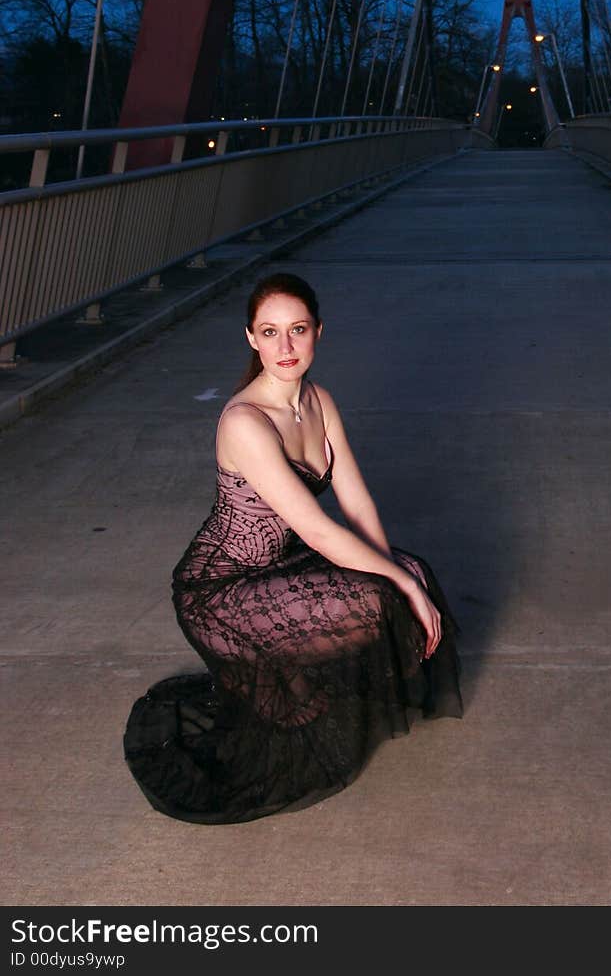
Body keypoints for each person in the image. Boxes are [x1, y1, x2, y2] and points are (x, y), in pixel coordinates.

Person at [124, 272, 461, 823]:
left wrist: (401, 573)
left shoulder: (320, 401)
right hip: (220, 592)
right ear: (252, 339)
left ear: (317, 333)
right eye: (270, 332)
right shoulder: (244, 422)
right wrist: (395, 587)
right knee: (380, 599)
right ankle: (273, 670)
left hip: (277, 568)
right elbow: (321, 531)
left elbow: (356, 506)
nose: (285, 347)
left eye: (297, 330)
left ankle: (309, 669)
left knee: (412, 569)